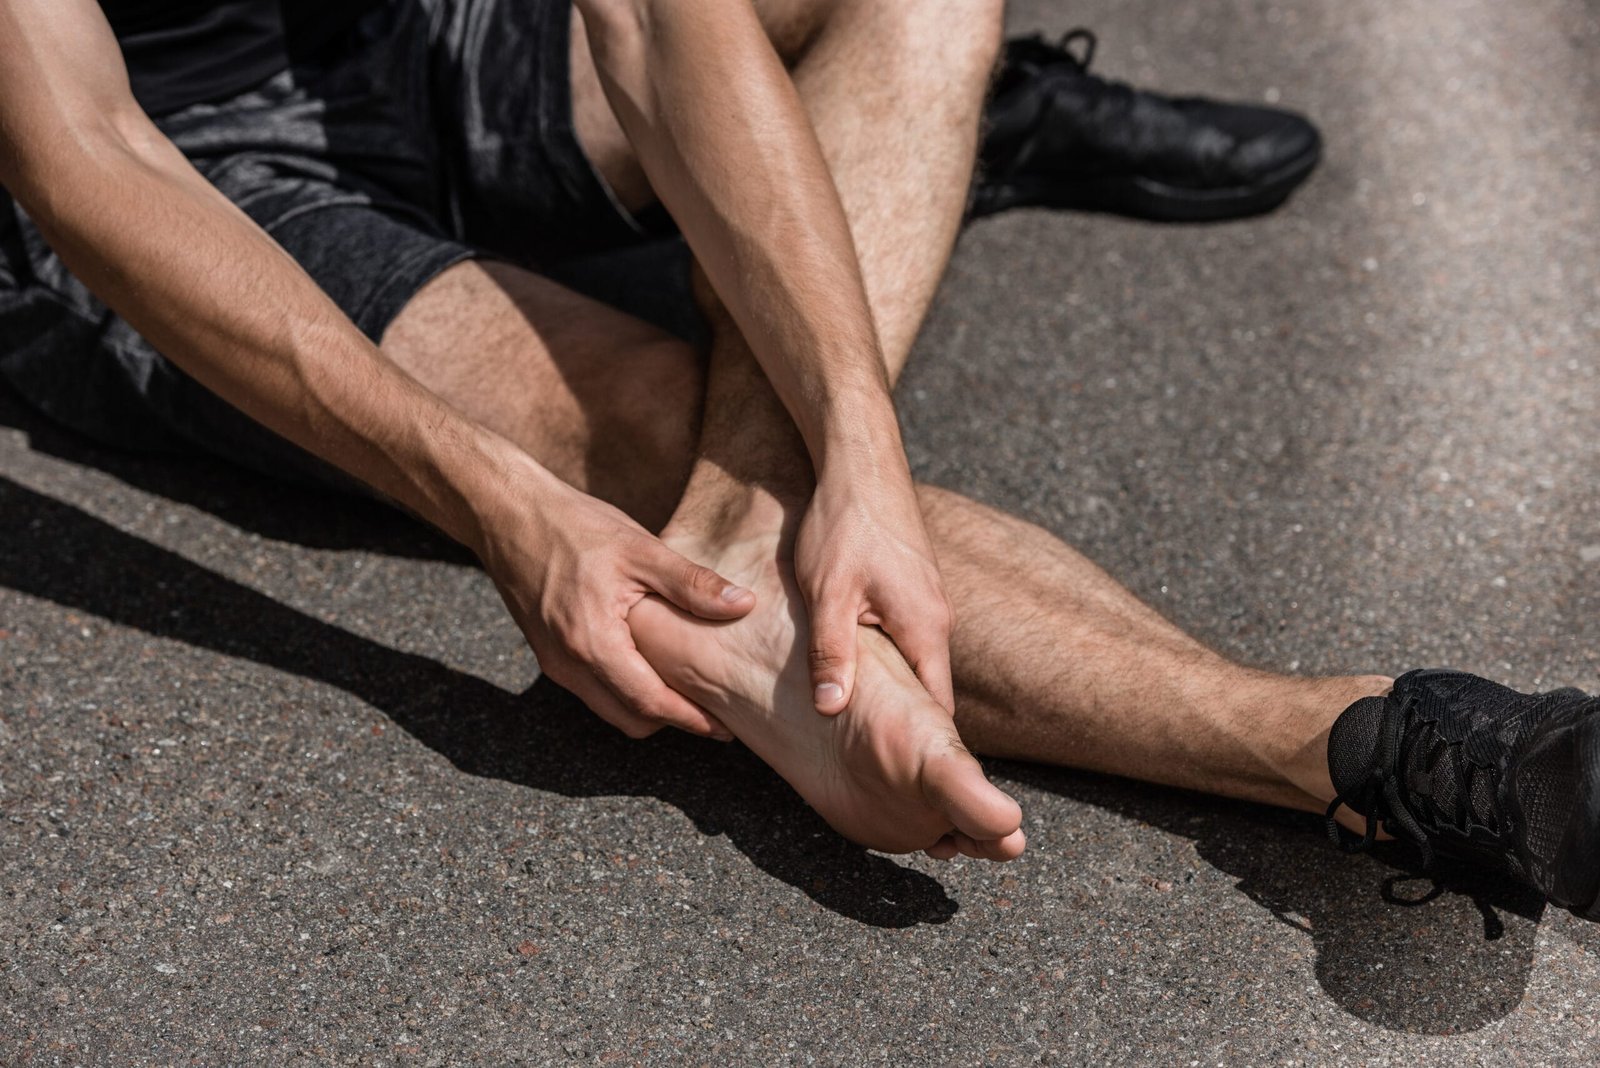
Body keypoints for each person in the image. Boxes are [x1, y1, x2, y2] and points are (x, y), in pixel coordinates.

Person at [0, 0, 1594, 919]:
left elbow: (643, 17)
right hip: (177, 157)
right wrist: (498, 504)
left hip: (407, 31)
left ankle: (749, 542)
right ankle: (1363, 746)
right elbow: (88, 147)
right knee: (626, 420)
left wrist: (856, 443)